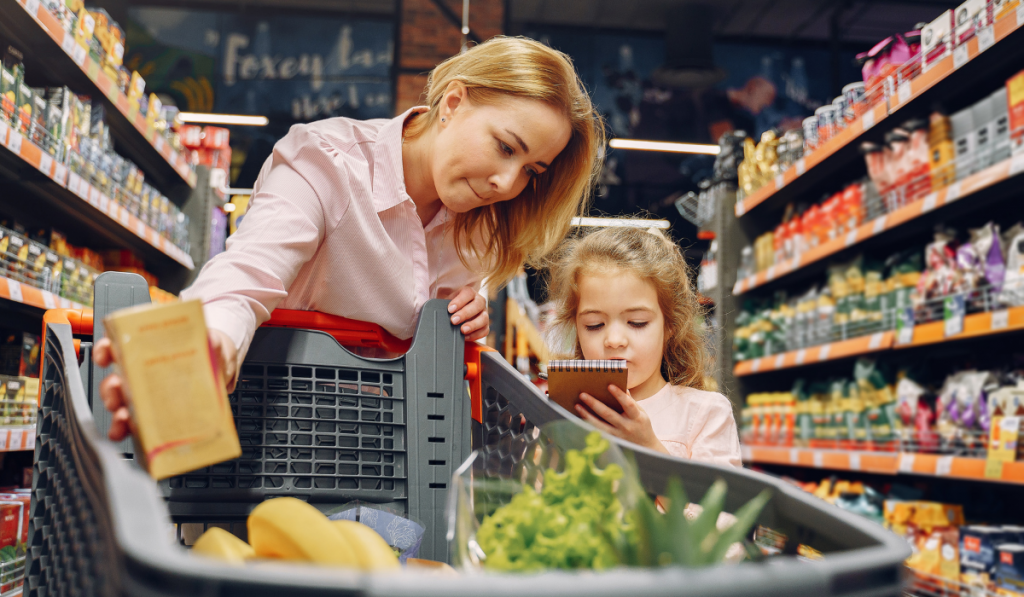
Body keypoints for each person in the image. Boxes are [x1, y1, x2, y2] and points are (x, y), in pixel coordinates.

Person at [94, 36, 605, 441]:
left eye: (532, 171)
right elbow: (247, 273)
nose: (508, 183)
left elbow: (426, 345)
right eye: (504, 147)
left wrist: (457, 331)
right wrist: (209, 339)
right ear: (453, 102)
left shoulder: (485, 228)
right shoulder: (326, 162)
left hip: (387, 458)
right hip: (270, 437)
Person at [544, 225, 741, 468]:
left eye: (637, 323)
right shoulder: (563, 414)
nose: (614, 340)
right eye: (594, 325)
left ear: (670, 326)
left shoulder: (706, 414)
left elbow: (716, 506)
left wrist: (649, 448)